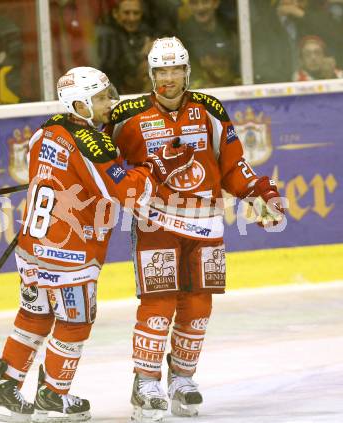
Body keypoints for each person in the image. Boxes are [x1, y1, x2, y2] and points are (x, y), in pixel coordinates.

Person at [0, 66, 194, 423]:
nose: (109, 102)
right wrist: (151, 168)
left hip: (33, 247)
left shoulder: (44, 132)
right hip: (70, 253)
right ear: (78, 103)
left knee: (34, 314)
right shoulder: (91, 142)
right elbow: (124, 192)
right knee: (75, 321)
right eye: (99, 97)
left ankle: (3, 390)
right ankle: (53, 397)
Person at [107, 37, 285, 422]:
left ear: (187, 72)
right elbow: (102, 161)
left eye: (175, 70)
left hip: (205, 221)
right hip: (155, 219)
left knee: (199, 305)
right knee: (159, 301)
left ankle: (182, 379)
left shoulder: (210, 110)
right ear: (150, 74)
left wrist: (258, 189)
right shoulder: (127, 115)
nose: (168, 78)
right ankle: (145, 382)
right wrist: (135, 180)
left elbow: (233, 165)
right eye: (160, 71)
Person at [177, 0, 239, 85]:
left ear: (215, 3)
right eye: (194, 3)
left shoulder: (230, 28)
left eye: (205, 2)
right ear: (189, 6)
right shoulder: (183, 34)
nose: (200, 8)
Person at [97, 0, 153, 94]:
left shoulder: (143, 31)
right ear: (115, 13)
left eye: (136, 13)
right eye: (126, 13)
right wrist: (142, 55)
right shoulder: (107, 35)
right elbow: (118, 68)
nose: (132, 18)